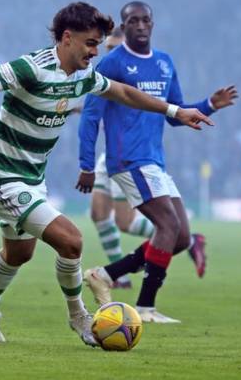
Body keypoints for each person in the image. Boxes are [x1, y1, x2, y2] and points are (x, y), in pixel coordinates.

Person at [0, 2, 213, 346]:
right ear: (67, 38)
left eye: (99, 44)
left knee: (19, 254)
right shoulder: (33, 68)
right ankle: (79, 317)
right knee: (72, 240)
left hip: (32, 179)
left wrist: (176, 110)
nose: (95, 52)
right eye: (90, 43)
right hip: (1, 179)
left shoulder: (83, 76)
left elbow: (123, 92)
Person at [77, 1, 238, 323]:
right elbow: (90, 116)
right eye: (132, 20)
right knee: (168, 226)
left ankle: (106, 274)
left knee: (179, 237)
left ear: (153, 23)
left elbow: (176, 114)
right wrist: (86, 165)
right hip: (128, 159)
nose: (139, 25)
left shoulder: (165, 63)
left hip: (154, 160)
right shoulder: (111, 64)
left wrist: (209, 105)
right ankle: (146, 307)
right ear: (123, 26)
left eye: (145, 20)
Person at [85, 28, 156, 289]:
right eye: (108, 49)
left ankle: (180, 237)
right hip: (110, 153)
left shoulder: (138, 79)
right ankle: (120, 276)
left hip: (128, 154)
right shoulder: (109, 76)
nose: (109, 54)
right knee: (98, 213)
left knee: (124, 221)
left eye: (115, 49)